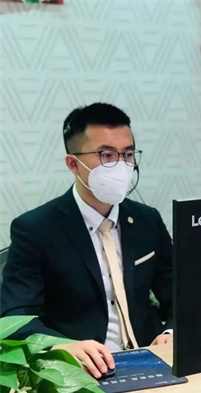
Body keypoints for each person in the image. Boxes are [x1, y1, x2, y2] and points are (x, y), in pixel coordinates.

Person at [1, 103, 173, 378]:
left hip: (150, 359)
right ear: (73, 164)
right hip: (80, 372)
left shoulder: (147, 220)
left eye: (128, 154)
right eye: (106, 155)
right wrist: (60, 346)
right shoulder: (35, 229)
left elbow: (181, 295)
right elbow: (14, 317)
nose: (120, 165)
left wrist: (171, 332)